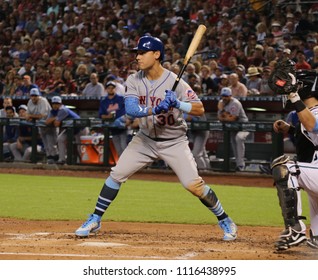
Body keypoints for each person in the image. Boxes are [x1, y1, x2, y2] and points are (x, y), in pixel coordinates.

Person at [75, 36, 237, 241]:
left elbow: (200, 109)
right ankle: (95, 218)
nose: (138, 56)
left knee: (193, 185)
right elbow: (132, 110)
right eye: (137, 52)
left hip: (174, 141)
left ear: (157, 54)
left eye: (142, 52)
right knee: (116, 175)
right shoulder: (133, 79)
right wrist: (154, 108)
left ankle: (225, 220)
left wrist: (178, 104)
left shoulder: (175, 82)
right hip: (144, 140)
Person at [270, 69, 318, 251]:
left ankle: (295, 230)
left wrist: (293, 95)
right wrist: (290, 129)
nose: (293, 87)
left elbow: (313, 125)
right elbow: (310, 137)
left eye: (297, 84)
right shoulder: (310, 112)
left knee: (285, 167)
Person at [46, 96, 89, 165]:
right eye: (54, 103)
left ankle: (83, 162)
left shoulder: (63, 110)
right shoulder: (53, 111)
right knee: (60, 139)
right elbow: (47, 122)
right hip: (70, 129)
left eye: (57, 103)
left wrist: (54, 119)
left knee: (80, 147)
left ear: (60, 104)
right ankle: (62, 159)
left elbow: (56, 124)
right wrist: (56, 118)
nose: (55, 105)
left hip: (80, 128)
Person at [217, 87, 250, 171]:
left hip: (243, 126)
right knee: (233, 143)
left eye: (226, 96)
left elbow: (232, 118)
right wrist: (225, 116)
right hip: (232, 128)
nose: (224, 98)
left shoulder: (235, 103)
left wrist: (222, 111)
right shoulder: (221, 102)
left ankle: (241, 165)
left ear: (230, 96)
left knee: (238, 138)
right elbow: (219, 117)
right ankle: (238, 165)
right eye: (223, 96)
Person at [26, 88, 58, 164]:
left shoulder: (43, 101)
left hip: (50, 126)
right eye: (32, 95)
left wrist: (31, 116)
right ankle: (50, 160)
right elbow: (27, 115)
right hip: (41, 126)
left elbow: (42, 115)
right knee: (46, 145)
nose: (33, 97)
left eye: (35, 96)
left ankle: (58, 161)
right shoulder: (30, 102)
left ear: (38, 96)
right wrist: (30, 116)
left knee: (52, 145)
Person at [99, 81, 129, 157]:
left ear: (115, 89)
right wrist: (107, 116)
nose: (111, 89)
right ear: (106, 89)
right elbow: (101, 115)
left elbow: (125, 112)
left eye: (112, 88)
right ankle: (122, 166)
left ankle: (127, 165)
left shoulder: (121, 98)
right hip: (112, 128)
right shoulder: (104, 101)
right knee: (118, 149)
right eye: (109, 88)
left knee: (124, 146)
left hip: (122, 126)